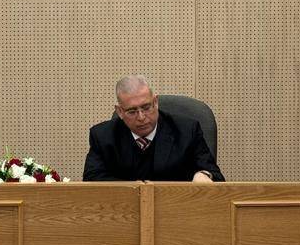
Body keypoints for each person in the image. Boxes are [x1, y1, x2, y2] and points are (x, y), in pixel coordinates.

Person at [83, 75, 224, 182]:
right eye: (132, 111)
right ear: (120, 111)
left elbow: (215, 176)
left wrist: (204, 175)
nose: (141, 117)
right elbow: (92, 182)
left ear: (155, 102)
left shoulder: (187, 131)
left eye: (146, 107)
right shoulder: (102, 136)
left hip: (177, 208)